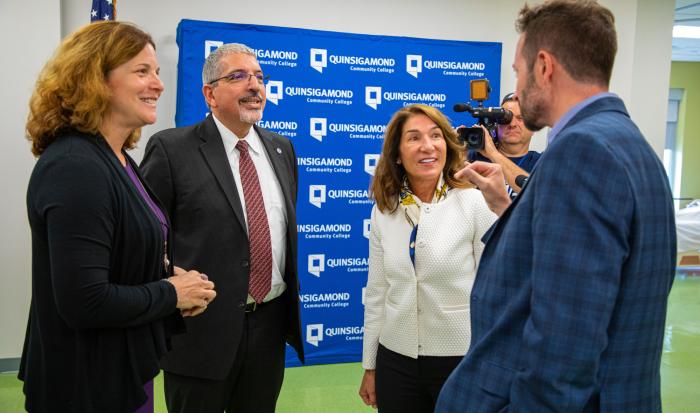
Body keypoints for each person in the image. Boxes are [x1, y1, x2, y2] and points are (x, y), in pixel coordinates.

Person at [436, 1, 676, 412]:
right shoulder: (633, 146)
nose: (518, 82)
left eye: (518, 71)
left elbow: (563, 348)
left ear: (544, 66)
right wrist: (505, 208)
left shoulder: (581, 151)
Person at [20, 21, 216, 413]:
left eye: (157, 72)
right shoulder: (76, 166)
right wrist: (172, 294)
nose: (158, 85)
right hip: (85, 386)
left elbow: (116, 254)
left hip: (120, 372)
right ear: (94, 79)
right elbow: (84, 301)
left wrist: (166, 276)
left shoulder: (118, 160)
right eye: (141, 72)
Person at [140, 43, 304, 413]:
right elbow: (149, 239)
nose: (255, 86)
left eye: (259, 77)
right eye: (239, 76)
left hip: (269, 327)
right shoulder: (171, 149)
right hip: (199, 332)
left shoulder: (282, 150)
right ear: (209, 93)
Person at [358, 104, 497, 413]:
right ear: (397, 153)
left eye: (436, 136)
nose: (427, 146)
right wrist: (371, 366)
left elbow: (493, 291)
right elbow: (378, 291)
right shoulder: (384, 209)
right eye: (414, 137)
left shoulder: (474, 202)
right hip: (396, 361)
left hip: (460, 360)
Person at [468, 93, 540, 198]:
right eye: (505, 118)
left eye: (520, 118)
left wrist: (493, 153)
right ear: (496, 124)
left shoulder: (543, 163)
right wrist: (456, 153)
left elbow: (536, 195)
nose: (512, 124)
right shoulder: (473, 158)